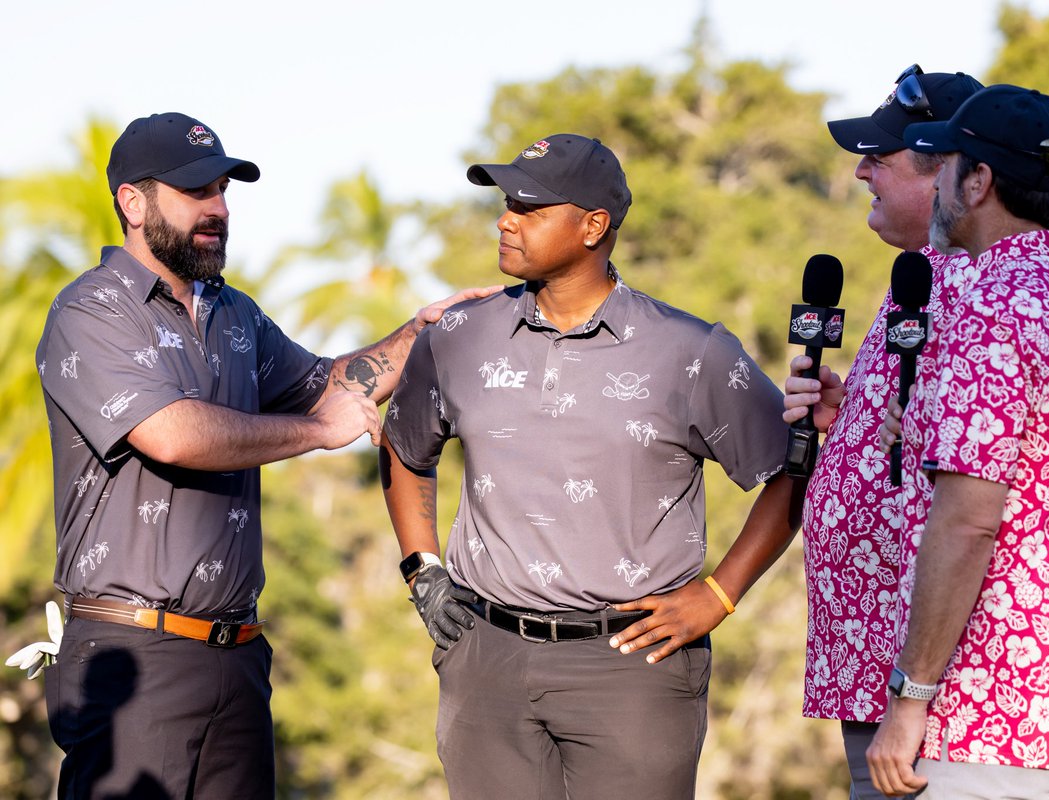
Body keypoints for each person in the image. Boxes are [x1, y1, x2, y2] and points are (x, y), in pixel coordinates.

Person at [28, 112, 496, 799]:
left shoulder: (234, 315)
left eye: (222, 189)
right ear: (133, 202)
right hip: (133, 658)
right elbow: (172, 433)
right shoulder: (90, 311)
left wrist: (420, 334)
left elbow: (326, 387)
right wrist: (317, 434)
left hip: (238, 656)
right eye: (196, 193)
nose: (218, 209)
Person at [379, 133, 803, 799]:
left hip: (633, 666)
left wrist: (719, 597)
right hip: (486, 656)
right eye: (505, 203)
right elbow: (403, 446)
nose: (505, 220)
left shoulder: (690, 351)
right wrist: (421, 569)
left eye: (529, 207)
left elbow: (793, 470)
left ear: (593, 226)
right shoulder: (457, 337)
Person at [867, 85, 1049, 799]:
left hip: (986, 716)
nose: (935, 187)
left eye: (946, 166)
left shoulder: (993, 307)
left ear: (979, 180)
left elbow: (969, 518)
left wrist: (909, 700)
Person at [781, 64, 982, 800]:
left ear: (951, 174)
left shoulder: (974, 291)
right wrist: (850, 422)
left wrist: (915, 695)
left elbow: (973, 510)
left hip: (939, 705)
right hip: (882, 680)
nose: (861, 170)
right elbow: (923, 449)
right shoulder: (920, 280)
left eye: (881, 156)